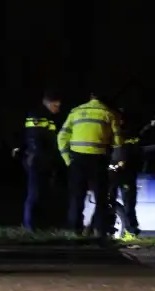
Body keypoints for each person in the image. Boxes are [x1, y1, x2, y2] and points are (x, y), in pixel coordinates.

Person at [58, 91, 125, 244]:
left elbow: (61, 137)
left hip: (77, 160)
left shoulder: (76, 112)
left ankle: (73, 231)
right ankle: (100, 232)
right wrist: (116, 162)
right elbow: (118, 143)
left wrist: (68, 159)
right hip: (98, 160)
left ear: (90, 98)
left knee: (76, 196)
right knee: (101, 198)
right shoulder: (110, 114)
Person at [21, 90, 62, 231]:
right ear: (48, 103)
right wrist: (41, 158)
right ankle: (29, 226)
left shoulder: (48, 116)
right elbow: (35, 139)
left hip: (44, 160)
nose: (58, 109)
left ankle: (39, 225)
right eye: (56, 105)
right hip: (37, 160)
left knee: (43, 193)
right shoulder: (37, 115)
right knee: (34, 193)